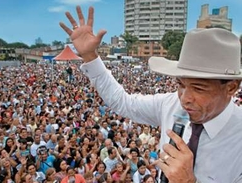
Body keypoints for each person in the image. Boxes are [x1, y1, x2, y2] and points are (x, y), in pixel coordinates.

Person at [60, 6, 242, 183]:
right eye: (180, 84)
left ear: (231, 88)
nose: (185, 98)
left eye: (199, 88)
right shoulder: (169, 104)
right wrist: (91, 56)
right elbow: (122, 102)